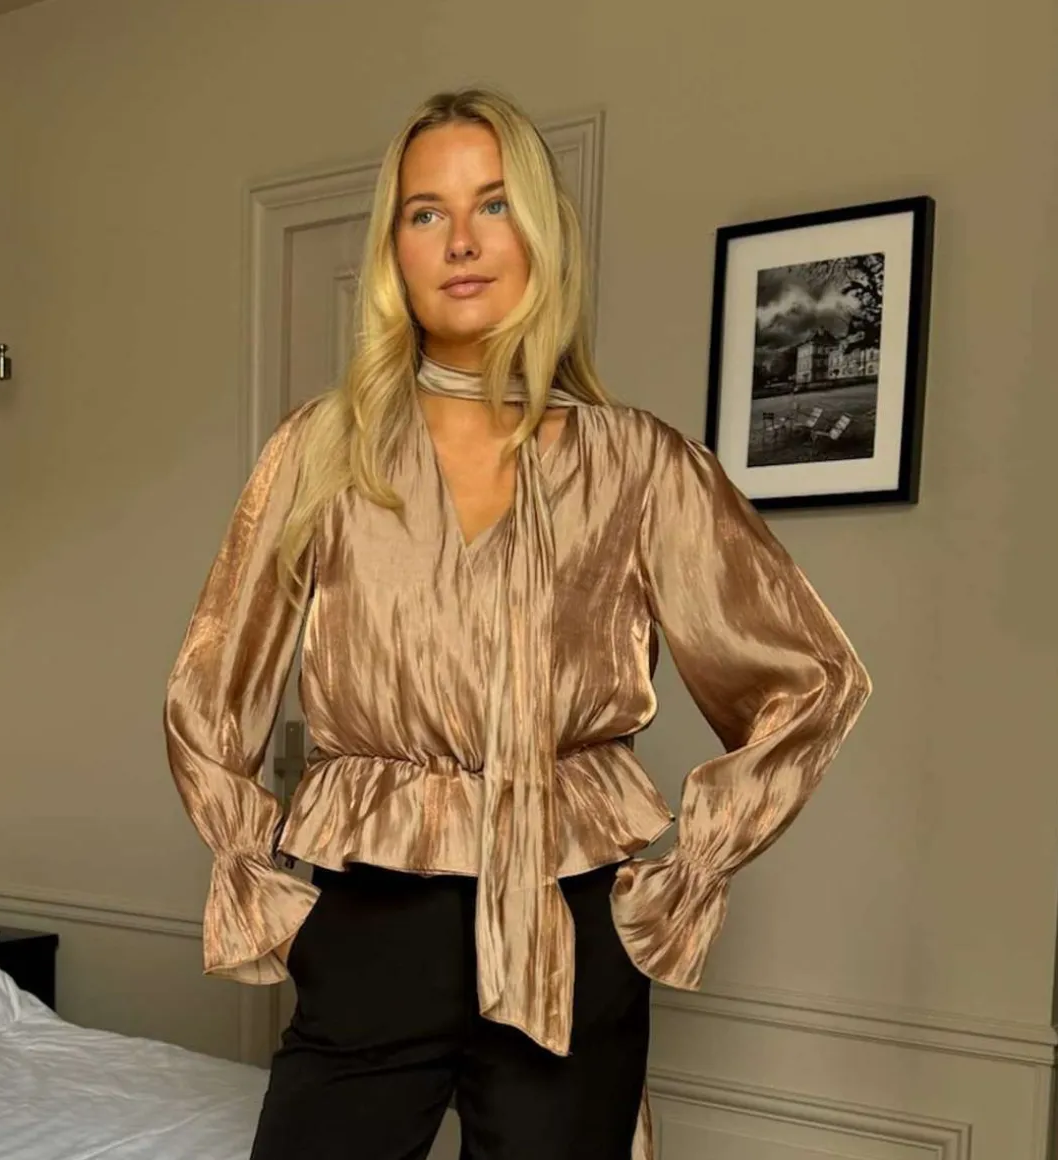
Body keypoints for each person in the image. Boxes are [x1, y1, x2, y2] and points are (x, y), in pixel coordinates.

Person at [163, 87, 871, 1160]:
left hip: (571, 927)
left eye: (492, 204)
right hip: (372, 921)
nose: (460, 240)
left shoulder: (637, 462)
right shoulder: (321, 449)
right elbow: (211, 681)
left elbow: (810, 676)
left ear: (541, 230)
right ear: (393, 249)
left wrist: (694, 864)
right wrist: (247, 861)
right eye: (426, 212)